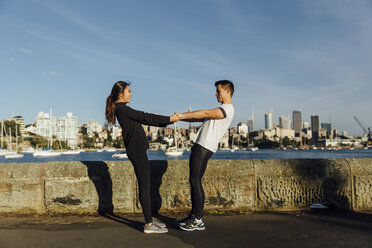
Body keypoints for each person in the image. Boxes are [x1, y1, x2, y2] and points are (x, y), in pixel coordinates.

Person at [105, 81, 179, 234]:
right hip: (136, 151)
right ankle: (149, 224)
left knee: (145, 185)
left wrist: (167, 122)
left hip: (137, 150)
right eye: (129, 91)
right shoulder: (122, 109)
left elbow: (145, 119)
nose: (131, 94)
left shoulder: (122, 109)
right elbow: (145, 117)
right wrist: (169, 119)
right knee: (144, 186)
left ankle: (149, 219)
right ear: (120, 94)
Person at [175, 80, 235, 231]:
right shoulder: (221, 109)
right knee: (194, 180)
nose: (216, 94)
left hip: (204, 146)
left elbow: (206, 113)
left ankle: (198, 219)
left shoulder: (227, 109)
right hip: (203, 145)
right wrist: (182, 117)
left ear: (228, 91)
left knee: (195, 180)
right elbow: (199, 117)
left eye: (218, 91)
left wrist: (182, 114)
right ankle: (194, 216)